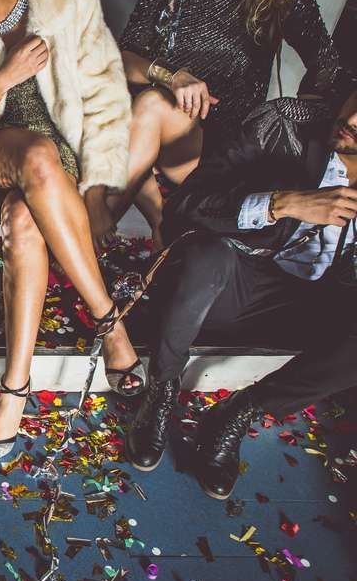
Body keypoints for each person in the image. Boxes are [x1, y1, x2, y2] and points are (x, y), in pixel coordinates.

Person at [0, 0, 144, 461]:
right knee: (36, 155)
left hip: (62, 156)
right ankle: (111, 323)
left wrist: (95, 189)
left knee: (24, 222)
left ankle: (14, 390)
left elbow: (105, 88)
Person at [125, 89, 357, 500]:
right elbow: (186, 205)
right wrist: (283, 204)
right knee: (205, 256)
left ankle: (238, 411)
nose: (352, 117)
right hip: (234, 277)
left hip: (308, 305)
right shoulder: (287, 122)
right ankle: (161, 387)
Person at [102, 0, 348, 250]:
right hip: (165, 129)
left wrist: (307, 124)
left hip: (226, 153)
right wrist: (172, 76)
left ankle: (100, 228)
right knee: (141, 103)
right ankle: (155, 223)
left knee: (149, 105)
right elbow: (122, 59)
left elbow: (326, 68)